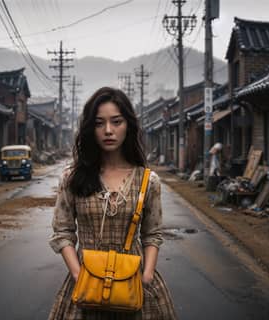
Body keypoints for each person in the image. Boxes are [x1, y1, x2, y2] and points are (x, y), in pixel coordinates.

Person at [48, 87, 177, 320]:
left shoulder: (148, 181)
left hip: (135, 284)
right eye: (99, 123)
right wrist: (79, 276)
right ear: (90, 129)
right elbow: (62, 232)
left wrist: (146, 276)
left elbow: (152, 235)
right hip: (86, 284)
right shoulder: (72, 178)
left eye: (116, 121)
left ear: (128, 125)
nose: (108, 130)